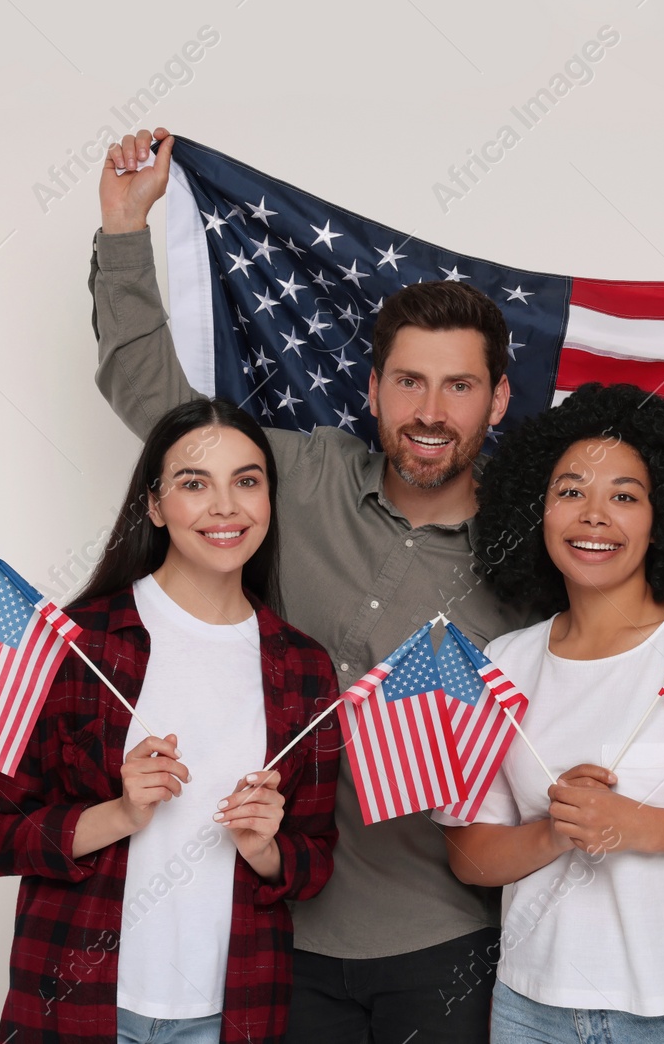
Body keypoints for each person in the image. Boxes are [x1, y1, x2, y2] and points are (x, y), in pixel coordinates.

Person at [89, 127, 536, 1042]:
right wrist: (125, 230)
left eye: (458, 388)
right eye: (409, 381)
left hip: (443, 938)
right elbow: (158, 409)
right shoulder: (298, 474)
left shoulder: (534, 556)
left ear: (497, 401)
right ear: (371, 389)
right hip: (272, 925)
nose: (429, 412)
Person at [437, 382, 664, 1043]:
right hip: (531, 1009)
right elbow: (470, 854)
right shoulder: (505, 662)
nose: (595, 515)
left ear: (662, 517)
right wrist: (556, 831)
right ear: (536, 510)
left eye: (625, 496)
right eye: (571, 491)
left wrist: (632, 824)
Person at [0, 398, 340, 1044]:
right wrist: (119, 813)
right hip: (80, 1006)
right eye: (195, 483)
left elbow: (314, 863)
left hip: (230, 1015)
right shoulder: (76, 643)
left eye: (246, 481)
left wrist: (266, 849)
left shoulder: (304, 667)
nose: (225, 507)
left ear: (269, 500)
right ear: (154, 504)